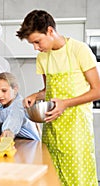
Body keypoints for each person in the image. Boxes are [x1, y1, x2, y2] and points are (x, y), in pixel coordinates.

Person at [17, 10, 100, 185]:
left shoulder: (79, 50)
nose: (36, 48)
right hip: (52, 128)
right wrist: (36, 95)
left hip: (76, 129)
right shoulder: (42, 58)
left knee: (78, 178)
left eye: (37, 42)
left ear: (50, 31)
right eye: (33, 44)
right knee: (52, 179)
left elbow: (97, 91)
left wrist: (65, 104)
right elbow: (49, 90)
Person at [0, 72, 40, 140]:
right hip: (18, 141)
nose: (0, 95)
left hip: (31, 144)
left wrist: (8, 131)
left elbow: (14, 120)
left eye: (4, 91)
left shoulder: (19, 105)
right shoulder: (0, 107)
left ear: (15, 89)